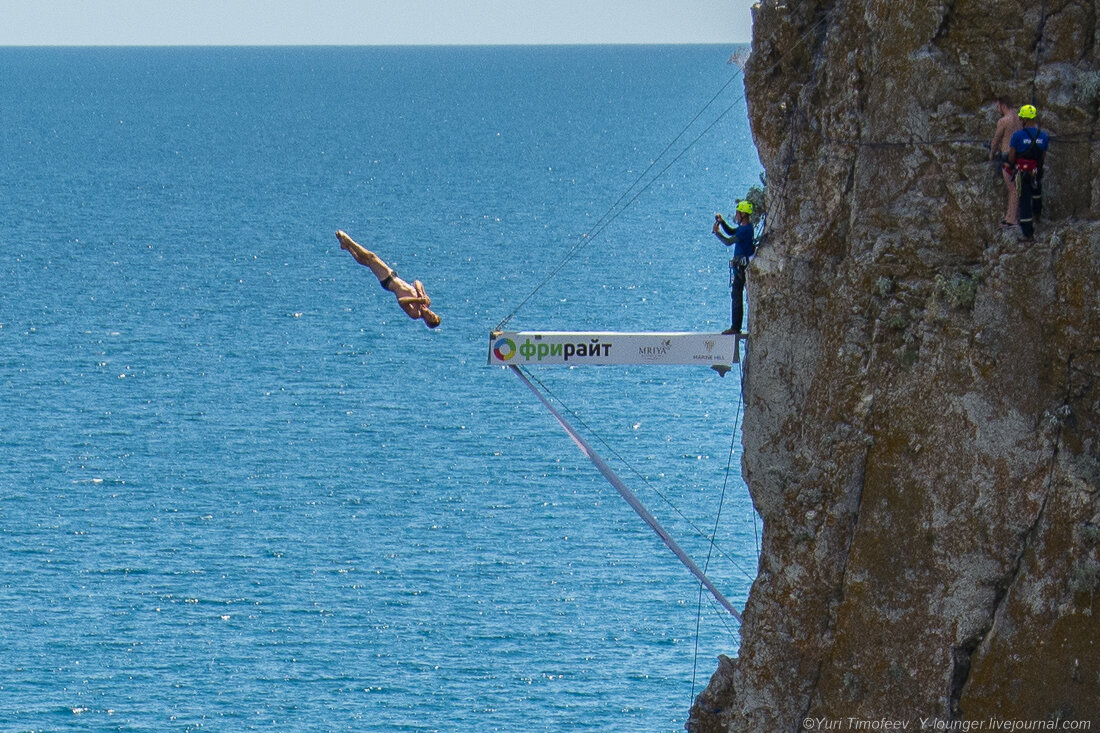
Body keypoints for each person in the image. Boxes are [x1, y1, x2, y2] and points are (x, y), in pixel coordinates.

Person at [336, 230, 442, 328]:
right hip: (394, 277)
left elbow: (401, 301)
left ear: (426, 321)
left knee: (371, 257)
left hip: (388, 280)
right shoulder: (426, 302)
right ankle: (347, 247)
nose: (430, 314)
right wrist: (421, 294)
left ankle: (348, 240)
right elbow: (417, 282)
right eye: (433, 314)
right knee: (367, 262)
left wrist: (417, 300)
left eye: (430, 317)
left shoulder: (415, 313)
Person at [712, 200, 756, 335]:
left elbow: (728, 241)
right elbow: (732, 231)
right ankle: (735, 326)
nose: (736, 215)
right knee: (736, 295)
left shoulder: (746, 230)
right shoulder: (744, 227)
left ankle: (735, 327)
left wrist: (717, 233)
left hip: (741, 268)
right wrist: (722, 222)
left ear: (743, 214)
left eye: (737, 213)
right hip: (740, 266)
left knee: (737, 295)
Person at [1007, 104, 1050, 242]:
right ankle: (1038, 213)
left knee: (1024, 200)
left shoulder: (1017, 136)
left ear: (1024, 118)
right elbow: (1042, 155)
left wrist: (1011, 165)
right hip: (1035, 170)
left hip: (1022, 171)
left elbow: (1012, 156)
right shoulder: (1043, 136)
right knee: (1036, 193)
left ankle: (1028, 234)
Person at [990, 98, 1023, 227]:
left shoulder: (1004, 121)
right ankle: (1009, 216)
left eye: (998, 107)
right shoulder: (1019, 117)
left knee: (1012, 188)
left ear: (1003, 106)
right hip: (1020, 155)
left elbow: (996, 139)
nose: (998, 110)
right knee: (1014, 187)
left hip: (1007, 156)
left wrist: (992, 152)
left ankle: (1012, 218)